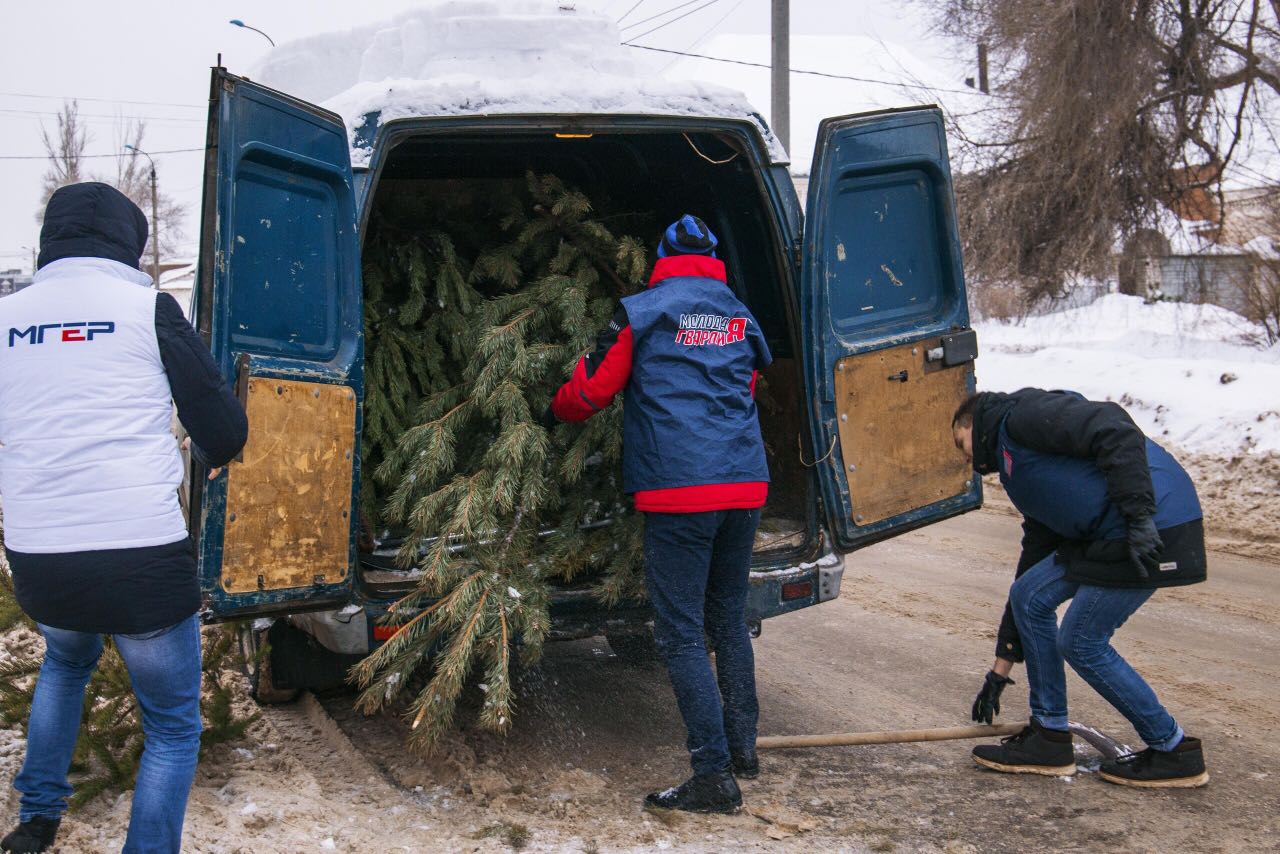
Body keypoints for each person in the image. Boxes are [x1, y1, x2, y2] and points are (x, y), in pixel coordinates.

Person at [0, 183, 248, 853]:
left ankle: (38, 820)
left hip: (41, 561)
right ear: (128, 243)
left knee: (65, 658)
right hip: (140, 559)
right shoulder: (149, 310)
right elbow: (223, 433)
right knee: (171, 727)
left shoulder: (5, 317)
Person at [543, 214, 771, 813]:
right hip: (745, 485)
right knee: (726, 616)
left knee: (679, 633)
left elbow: (592, 390)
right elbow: (748, 384)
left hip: (681, 492)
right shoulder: (739, 314)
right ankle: (744, 747)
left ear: (663, 257)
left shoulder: (641, 311)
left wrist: (552, 410)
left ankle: (714, 774)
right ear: (713, 259)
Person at [953, 388, 1209, 788]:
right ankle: (1049, 737)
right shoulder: (1018, 470)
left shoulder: (1021, 417)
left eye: (959, 442)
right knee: (1030, 595)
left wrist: (1140, 516)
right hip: (1108, 536)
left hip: (1153, 527)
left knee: (1081, 640)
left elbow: (1113, 426)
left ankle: (1173, 749)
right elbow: (1029, 564)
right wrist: (1000, 667)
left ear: (972, 423)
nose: (962, 457)